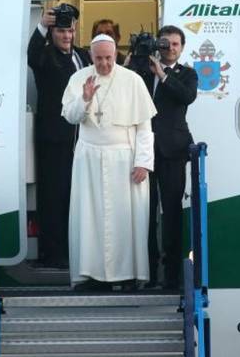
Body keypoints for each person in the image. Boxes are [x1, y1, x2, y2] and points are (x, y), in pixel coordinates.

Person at [61, 34, 157, 291]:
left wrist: (143, 162)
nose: (104, 64)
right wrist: (84, 99)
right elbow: (70, 117)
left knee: (126, 218)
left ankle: (128, 275)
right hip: (89, 159)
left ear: (116, 55)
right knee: (89, 218)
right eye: (98, 59)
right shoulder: (78, 78)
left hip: (125, 159)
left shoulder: (132, 80)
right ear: (91, 57)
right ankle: (91, 276)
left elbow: (145, 127)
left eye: (108, 58)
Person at [27, 3, 91, 269]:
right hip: (54, 138)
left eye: (70, 31)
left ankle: (77, 251)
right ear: (53, 33)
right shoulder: (45, 56)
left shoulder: (83, 55)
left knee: (78, 196)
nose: (66, 36)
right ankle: (53, 254)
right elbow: (31, 55)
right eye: (61, 31)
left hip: (81, 137)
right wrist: (42, 24)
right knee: (54, 196)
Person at [142, 25, 198, 289]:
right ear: (158, 44)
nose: (171, 48)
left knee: (172, 213)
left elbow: (187, 97)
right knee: (145, 213)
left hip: (173, 152)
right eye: (166, 43)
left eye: (176, 44)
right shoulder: (143, 71)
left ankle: (172, 276)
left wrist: (162, 75)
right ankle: (148, 273)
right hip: (144, 152)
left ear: (182, 47)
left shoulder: (187, 74)